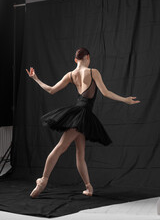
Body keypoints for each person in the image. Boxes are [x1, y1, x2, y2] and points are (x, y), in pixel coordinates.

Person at [26, 47, 140, 198]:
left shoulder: (71, 75)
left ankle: (89, 187)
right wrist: (125, 100)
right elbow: (106, 93)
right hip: (82, 115)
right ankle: (43, 181)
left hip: (79, 114)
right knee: (61, 147)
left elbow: (51, 90)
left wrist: (36, 79)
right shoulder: (93, 72)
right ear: (87, 57)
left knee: (80, 154)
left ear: (75, 60)